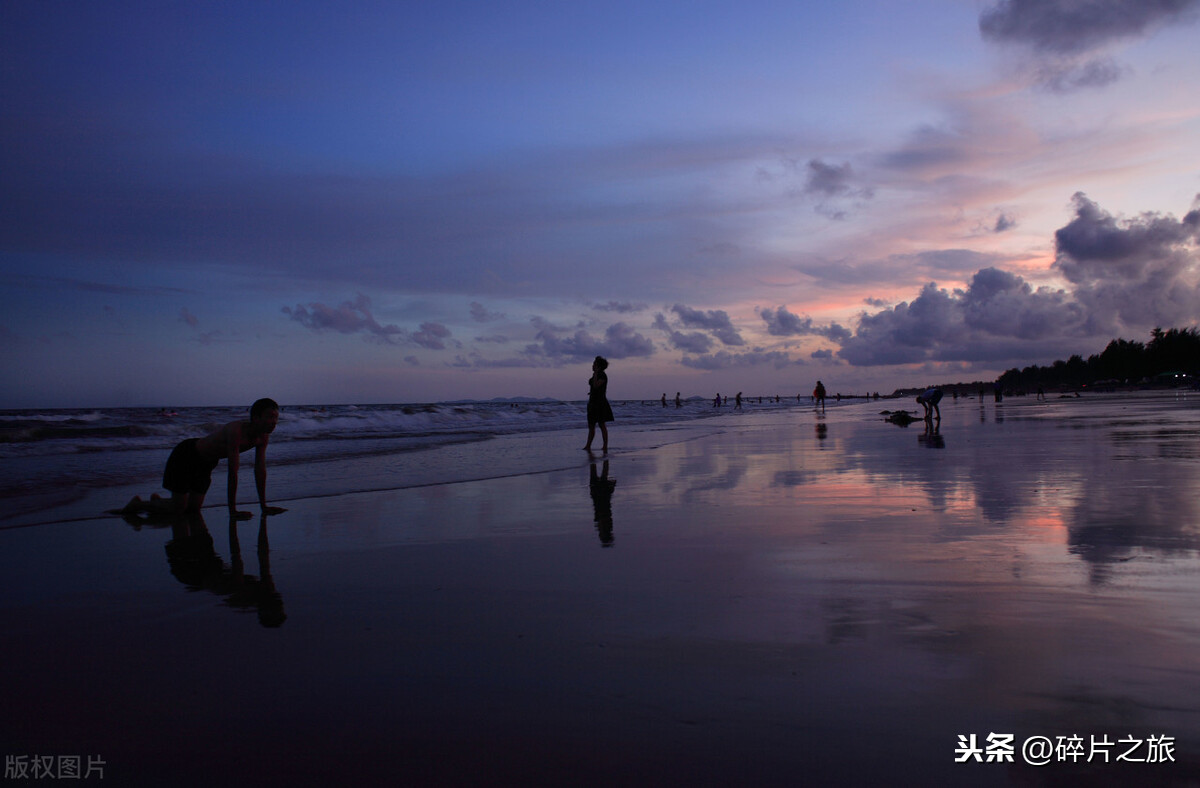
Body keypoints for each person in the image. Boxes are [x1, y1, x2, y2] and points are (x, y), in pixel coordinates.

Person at [121, 398, 286, 520]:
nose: (274, 422)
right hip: (187, 455)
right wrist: (233, 511)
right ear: (256, 418)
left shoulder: (262, 437)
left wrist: (263, 506)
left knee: (192, 509)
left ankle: (160, 501)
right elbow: (233, 472)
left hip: (206, 463)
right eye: (270, 417)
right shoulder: (236, 431)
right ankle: (138, 504)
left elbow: (259, 470)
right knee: (179, 509)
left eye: (276, 418)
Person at [584, 357, 613, 452]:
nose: (592, 365)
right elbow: (594, 387)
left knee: (601, 424)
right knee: (591, 425)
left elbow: (596, 385)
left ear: (599, 366)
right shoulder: (595, 375)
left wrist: (596, 373)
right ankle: (588, 445)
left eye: (594, 364)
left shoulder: (602, 375)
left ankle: (605, 446)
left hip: (600, 403)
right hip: (592, 402)